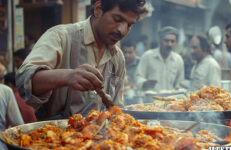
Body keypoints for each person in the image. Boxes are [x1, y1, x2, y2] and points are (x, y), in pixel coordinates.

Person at [16, 0, 150, 120]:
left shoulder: (117, 57)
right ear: (98, 9)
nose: (122, 30)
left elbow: (116, 109)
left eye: (129, 25)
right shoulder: (61, 36)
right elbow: (24, 81)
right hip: (55, 140)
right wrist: (67, 76)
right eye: (117, 19)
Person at [135, 26, 184, 91]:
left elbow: (179, 84)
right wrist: (144, 83)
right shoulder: (148, 56)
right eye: (166, 40)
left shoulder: (178, 60)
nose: (169, 44)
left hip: (170, 99)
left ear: (176, 43)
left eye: (172, 41)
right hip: (150, 99)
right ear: (159, 41)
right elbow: (138, 76)